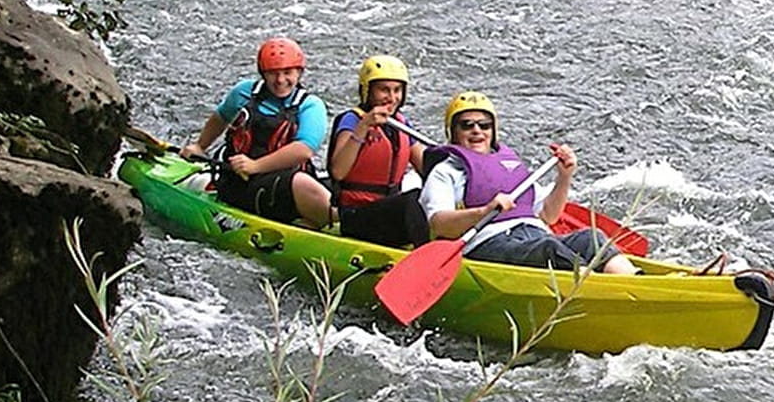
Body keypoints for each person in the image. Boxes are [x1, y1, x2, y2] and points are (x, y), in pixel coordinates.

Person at [421, 91, 638, 274]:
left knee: (591, 238)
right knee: (548, 248)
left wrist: (564, 177)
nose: (477, 130)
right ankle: (601, 288)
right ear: (453, 132)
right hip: (488, 244)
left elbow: (548, 216)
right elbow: (439, 223)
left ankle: (635, 282)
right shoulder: (446, 172)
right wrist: (484, 211)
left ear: (493, 130)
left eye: (484, 125)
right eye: (466, 125)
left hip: (534, 234)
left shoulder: (509, 166)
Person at [180, 36, 334, 227]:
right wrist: (200, 145)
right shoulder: (244, 93)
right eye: (273, 73)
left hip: (279, 180)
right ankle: (333, 219)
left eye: (288, 72)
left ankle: (342, 217)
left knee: (336, 184)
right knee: (301, 182)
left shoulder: (310, 106)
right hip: (240, 183)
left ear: (299, 72)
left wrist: (255, 165)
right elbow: (221, 117)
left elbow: (304, 149)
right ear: (263, 73)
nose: (280, 80)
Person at [326, 55, 430, 247]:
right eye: (384, 90)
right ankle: (427, 254)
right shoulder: (353, 121)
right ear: (367, 91)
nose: (391, 98)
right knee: (412, 200)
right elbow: (339, 171)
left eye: (397, 90)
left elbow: (425, 166)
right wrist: (364, 127)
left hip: (386, 210)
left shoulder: (401, 124)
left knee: (428, 197)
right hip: (355, 215)